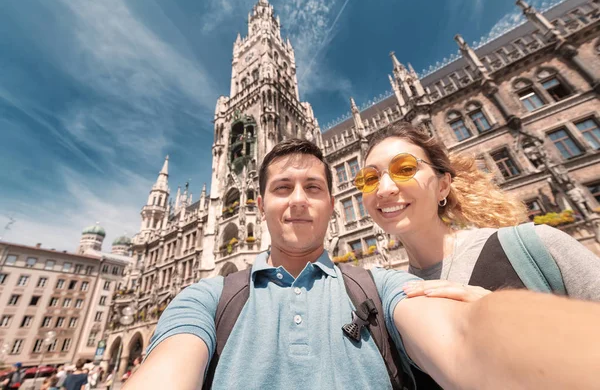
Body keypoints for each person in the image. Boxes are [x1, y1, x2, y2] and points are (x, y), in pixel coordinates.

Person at [123, 138, 600, 390]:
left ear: (334, 203)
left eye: (314, 188)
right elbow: (168, 370)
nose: (297, 202)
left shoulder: (380, 285)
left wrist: (516, 324)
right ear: (259, 204)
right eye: (281, 188)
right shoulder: (208, 297)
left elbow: (462, 341)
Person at [356, 123, 600, 303]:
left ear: (443, 186)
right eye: (369, 178)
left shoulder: (536, 246)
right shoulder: (394, 293)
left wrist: (508, 313)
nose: (384, 189)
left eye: (406, 168)